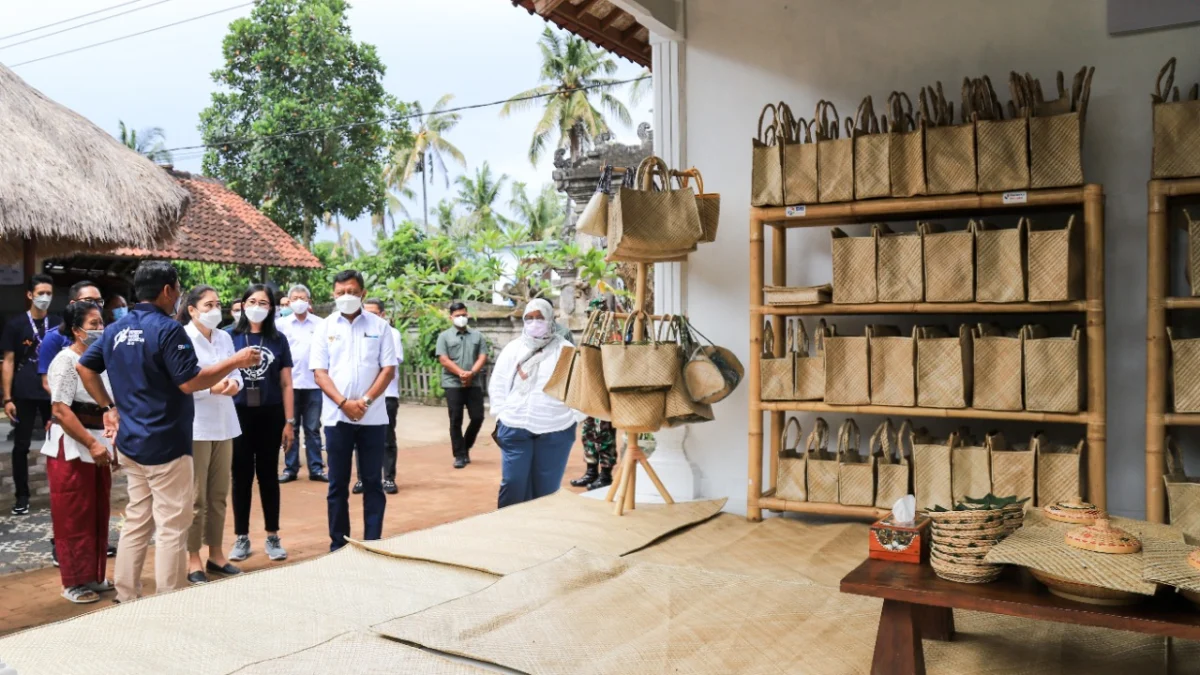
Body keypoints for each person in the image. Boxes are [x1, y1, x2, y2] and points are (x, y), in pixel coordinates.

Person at [76, 261, 260, 604]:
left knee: (137, 521)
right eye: (177, 288)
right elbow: (190, 381)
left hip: (131, 442)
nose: (177, 295)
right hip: (167, 443)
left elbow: (84, 366)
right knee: (173, 525)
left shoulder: (117, 328)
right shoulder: (167, 329)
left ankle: (127, 596)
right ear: (167, 291)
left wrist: (108, 408)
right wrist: (235, 361)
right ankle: (169, 600)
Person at [311, 270, 397, 551]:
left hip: (373, 419)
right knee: (337, 483)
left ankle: (373, 540)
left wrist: (366, 402)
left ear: (363, 293)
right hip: (337, 418)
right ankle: (339, 543)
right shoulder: (324, 328)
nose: (346, 297)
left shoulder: (379, 326)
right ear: (333, 295)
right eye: (340, 293)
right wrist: (344, 403)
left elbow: (388, 369)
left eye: (351, 291)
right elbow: (320, 373)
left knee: (373, 482)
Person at [42, 301, 115, 604]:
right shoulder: (64, 361)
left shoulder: (103, 360)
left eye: (101, 323)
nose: (99, 329)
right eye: (93, 324)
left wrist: (108, 441)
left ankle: (93, 575)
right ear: (76, 330)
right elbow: (60, 409)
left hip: (100, 439)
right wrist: (91, 443)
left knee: (98, 510)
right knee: (73, 513)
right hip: (73, 445)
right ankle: (72, 581)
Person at [179, 285, 243, 584]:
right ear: (192, 309)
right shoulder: (182, 338)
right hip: (197, 425)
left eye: (218, 304)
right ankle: (193, 558)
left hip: (225, 423)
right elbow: (185, 381)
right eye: (208, 305)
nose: (214, 310)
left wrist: (233, 385)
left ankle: (216, 553)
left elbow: (237, 374)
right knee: (196, 497)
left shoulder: (225, 337)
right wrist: (211, 388)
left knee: (218, 493)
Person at [489, 299, 580, 508]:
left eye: (539, 318)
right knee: (513, 483)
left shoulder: (565, 349)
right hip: (515, 426)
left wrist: (574, 417)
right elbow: (499, 382)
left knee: (546, 489)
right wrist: (501, 413)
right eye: (529, 318)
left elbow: (577, 385)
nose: (534, 323)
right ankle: (509, 530)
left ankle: (539, 533)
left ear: (550, 319)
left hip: (556, 428)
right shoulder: (514, 348)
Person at [228, 285, 294, 563]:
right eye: (252, 301)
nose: (257, 306)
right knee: (240, 476)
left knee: (268, 476)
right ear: (243, 304)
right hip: (237, 414)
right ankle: (241, 537)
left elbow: (287, 383)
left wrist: (289, 421)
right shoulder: (228, 337)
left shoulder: (278, 339)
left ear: (272, 308)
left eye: (263, 302)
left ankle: (272, 535)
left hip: (270, 413)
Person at [2, 274, 57, 516]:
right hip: (23, 392)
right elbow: (9, 361)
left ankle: (59, 493)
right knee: (21, 446)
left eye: (49, 293)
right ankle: (22, 496)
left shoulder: (57, 323)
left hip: (51, 392)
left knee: (57, 443)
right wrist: (7, 398)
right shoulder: (15, 324)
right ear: (30, 295)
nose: (45, 297)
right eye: (41, 293)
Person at [277, 284, 327, 483]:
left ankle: (316, 468)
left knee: (313, 428)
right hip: (289, 385)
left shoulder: (320, 324)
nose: (299, 301)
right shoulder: (281, 325)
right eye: (295, 298)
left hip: (314, 384)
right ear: (288, 302)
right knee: (291, 427)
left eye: (303, 298)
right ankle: (290, 468)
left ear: (309, 301)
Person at [569, 298, 616, 490]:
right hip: (590, 392)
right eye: (589, 314)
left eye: (594, 314)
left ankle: (605, 475)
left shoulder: (613, 335)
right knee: (588, 433)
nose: (591, 317)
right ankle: (591, 472)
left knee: (605, 436)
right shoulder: (589, 335)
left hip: (604, 393)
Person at [435, 302, 488, 469]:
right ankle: (459, 455)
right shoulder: (444, 336)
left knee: (478, 417)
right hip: (453, 383)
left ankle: (465, 447)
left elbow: (482, 356)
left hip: (474, 383)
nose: (461, 318)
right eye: (457, 315)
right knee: (455, 419)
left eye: (463, 315)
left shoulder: (477, 336)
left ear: (468, 315)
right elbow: (443, 359)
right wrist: (461, 373)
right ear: (451, 317)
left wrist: (471, 373)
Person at [360, 298, 403, 495]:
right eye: (366, 311)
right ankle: (363, 478)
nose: (369, 316)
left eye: (374, 313)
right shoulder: (358, 331)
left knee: (386, 438)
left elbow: (389, 365)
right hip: (360, 395)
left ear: (383, 315)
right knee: (360, 438)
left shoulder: (392, 334)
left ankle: (388, 478)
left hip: (387, 395)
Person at [38, 281, 105, 394]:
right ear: (73, 304)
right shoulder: (54, 337)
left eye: (99, 301)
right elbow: (47, 382)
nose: (95, 305)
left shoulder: (108, 334)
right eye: (89, 301)